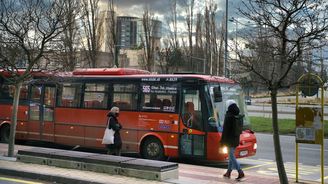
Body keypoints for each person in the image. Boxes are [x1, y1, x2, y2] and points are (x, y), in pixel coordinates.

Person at [220, 99, 245, 180]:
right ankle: (228, 172)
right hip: (235, 139)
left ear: (228, 106)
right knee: (231, 156)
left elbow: (225, 131)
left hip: (229, 140)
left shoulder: (229, 116)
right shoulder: (237, 115)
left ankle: (240, 171)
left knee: (231, 156)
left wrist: (222, 141)